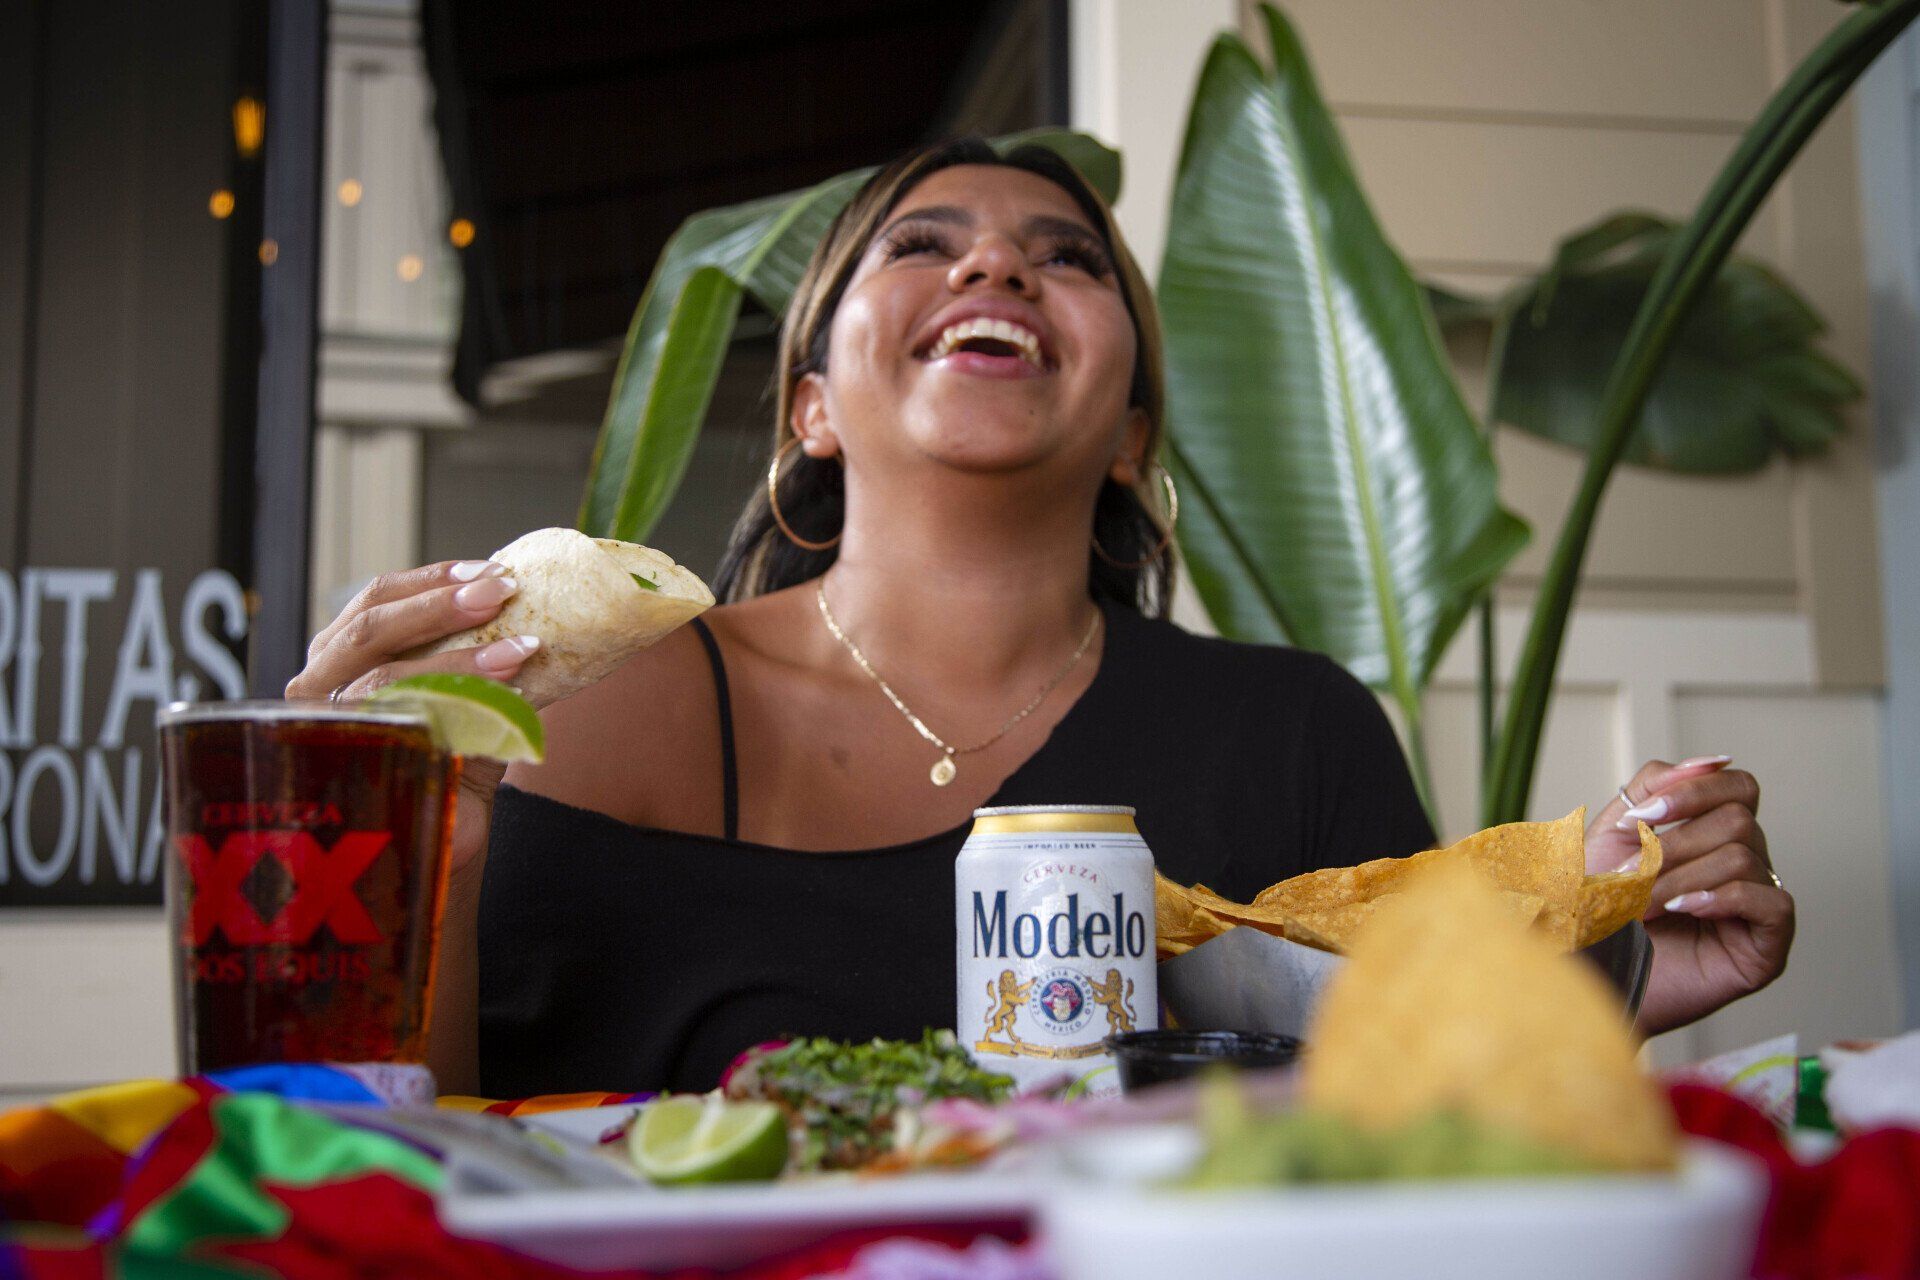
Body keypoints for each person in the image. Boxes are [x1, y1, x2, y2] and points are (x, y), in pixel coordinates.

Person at [287, 139, 1794, 1097]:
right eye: (921, 243)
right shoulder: (564, 704)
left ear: (1130, 429)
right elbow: (418, 1168)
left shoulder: (1294, 728)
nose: (998, 262)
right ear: (811, 407)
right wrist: (387, 875)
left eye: (1069, 259)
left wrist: (1614, 977)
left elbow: (1386, 1104)